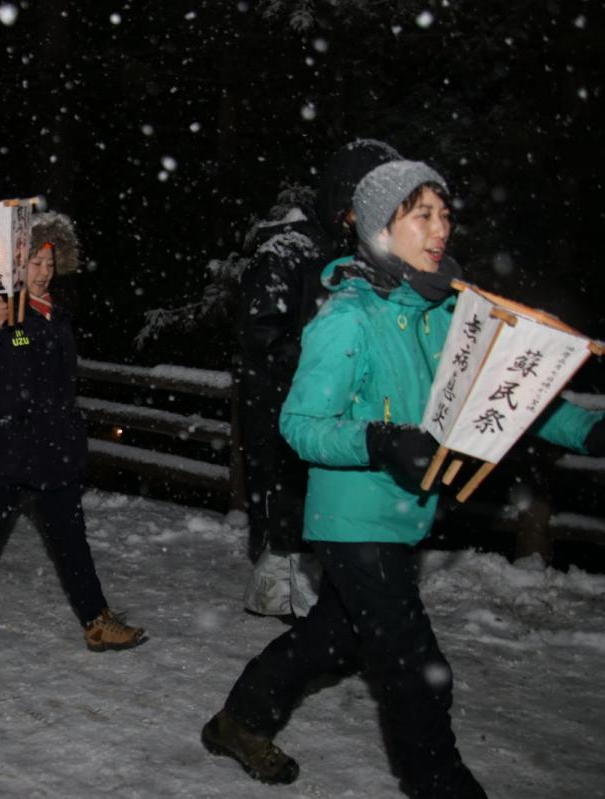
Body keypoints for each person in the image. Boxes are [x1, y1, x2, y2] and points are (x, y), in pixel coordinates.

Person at [201, 161, 605, 797]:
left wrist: (588, 431)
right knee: (417, 670)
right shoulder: (348, 317)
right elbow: (300, 424)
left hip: (401, 517)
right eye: (421, 214)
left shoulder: (447, 313)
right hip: (351, 520)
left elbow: (509, 392)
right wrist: (381, 440)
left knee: (334, 639)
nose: (440, 228)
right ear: (379, 229)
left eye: (444, 214)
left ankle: (240, 722)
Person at [0, 212, 146, 652]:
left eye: (50, 263)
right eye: (35, 262)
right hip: (1, 447)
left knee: (70, 538)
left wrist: (72, 436)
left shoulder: (56, 316)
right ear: (14, 261)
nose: (44, 272)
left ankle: (95, 619)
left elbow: (61, 386)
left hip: (52, 450)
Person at [239, 139, 401, 619]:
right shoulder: (287, 250)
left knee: (314, 499)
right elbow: (259, 330)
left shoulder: (348, 252)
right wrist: (318, 368)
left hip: (327, 405)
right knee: (284, 498)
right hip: (282, 401)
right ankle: (281, 591)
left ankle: (307, 591)